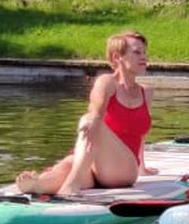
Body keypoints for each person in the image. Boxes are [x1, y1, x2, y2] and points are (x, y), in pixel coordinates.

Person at [16, 31, 154, 196]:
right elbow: (95, 115)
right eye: (137, 52)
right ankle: (38, 185)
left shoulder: (146, 92)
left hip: (122, 170)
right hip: (91, 164)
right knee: (66, 166)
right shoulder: (107, 82)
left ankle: (72, 184)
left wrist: (142, 167)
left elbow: (140, 135)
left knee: (89, 121)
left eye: (145, 52)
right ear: (117, 57)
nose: (144, 57)